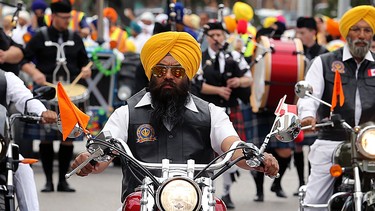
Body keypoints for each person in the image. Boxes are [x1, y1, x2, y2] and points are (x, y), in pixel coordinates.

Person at [71, 31, 279, 206]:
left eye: (177, 71)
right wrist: (90, 160)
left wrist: (257, 158)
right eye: (161, 70)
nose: (168, 76)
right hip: (141, 202)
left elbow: (233, 147)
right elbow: (104, 149)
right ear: (151, 73)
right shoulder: (126, 113)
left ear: (188, 74)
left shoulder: (212, 113)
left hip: (195, 202)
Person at [297, 5, 375, 211]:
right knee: (315, 202)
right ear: (346, 32)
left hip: (370, 144)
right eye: (356, 29)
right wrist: (307, 116)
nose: (361, 35)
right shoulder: (324, 62)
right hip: (332, 139)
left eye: (367, 30)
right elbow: (309, 95)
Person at [21, 0, 91, 192]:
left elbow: (85, 62)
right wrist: (34, 72)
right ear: (53, 16)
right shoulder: (40, 36)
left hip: (70, 95)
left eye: (69, 18)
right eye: (64, 18)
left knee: (67, 137)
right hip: (47, 92)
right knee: (45, 139)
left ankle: (62, 181)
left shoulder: (75, 37)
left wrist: (86, 70)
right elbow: (23, 59)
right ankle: (48, 182)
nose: (67, 21)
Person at [192, 22, 252, 209]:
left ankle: (226, 192)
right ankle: (207, 189)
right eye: (213, 35)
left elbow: (249, 78)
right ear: (208, 37)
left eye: (219, 34)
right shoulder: (200, 58)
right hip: (207, 109)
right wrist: (219, 91)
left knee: (231, 153)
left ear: (225, 36)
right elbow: (197, 83)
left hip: (231, 109)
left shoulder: (235, 56)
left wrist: (238, 81)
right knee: (209, 155)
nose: (216, 38)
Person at [0, 69, 57, 211]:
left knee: (23, 167)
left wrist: (41, 112)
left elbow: (24, 98)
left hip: (0, 146)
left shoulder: (5, 79)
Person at [293, 16, 329, 196]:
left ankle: (310, 181)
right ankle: (300, 182)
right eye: (297, 32)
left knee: (313, 146)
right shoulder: (294, 51)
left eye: (303, 33)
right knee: (298, 146)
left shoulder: (324, 54)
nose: (299, 36)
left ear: (313, 33)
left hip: (316, 107)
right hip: (298, 102)